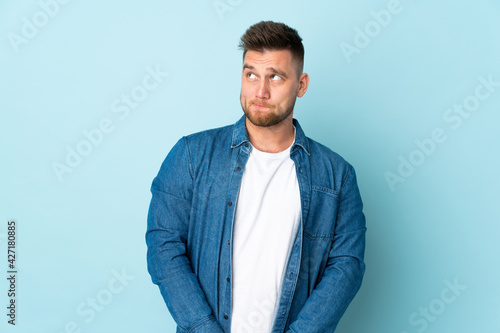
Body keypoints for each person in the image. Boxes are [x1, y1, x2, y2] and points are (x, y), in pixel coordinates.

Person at [146, 20, 366, 333]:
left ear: (301, 85)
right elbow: (163, 248)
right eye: (251, 74)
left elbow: (346, 267)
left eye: (275, 77)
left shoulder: (337, 176)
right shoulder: (191, 156)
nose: (260, 91)